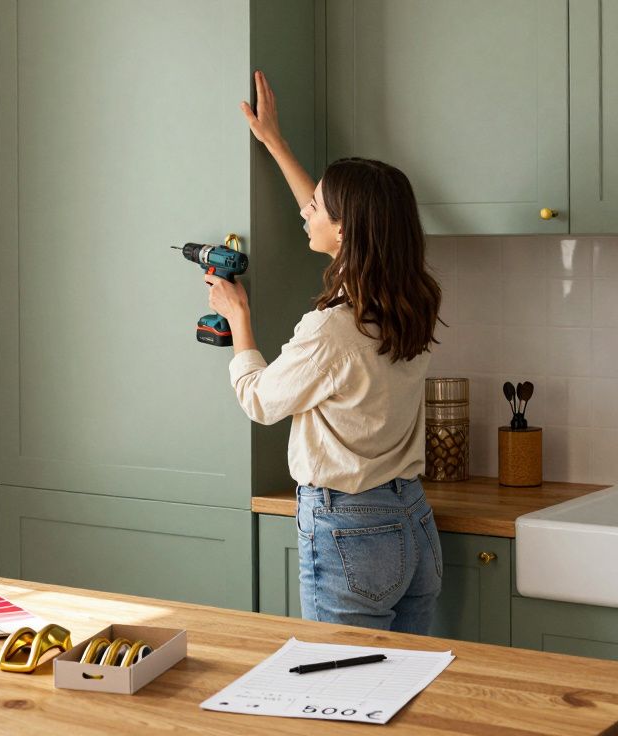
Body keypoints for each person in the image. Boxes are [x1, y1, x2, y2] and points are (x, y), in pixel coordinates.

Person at [203, 70, 444, 634]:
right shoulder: (409, 302)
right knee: (406, 680)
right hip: (412, 520)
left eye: (316, 206)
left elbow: (260, 401)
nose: (305, 211)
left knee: (342, 679)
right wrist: (274, 142)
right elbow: (331, 222)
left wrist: (239, 319)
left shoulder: (332, 329)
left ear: (345, 228)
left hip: (351, 529)